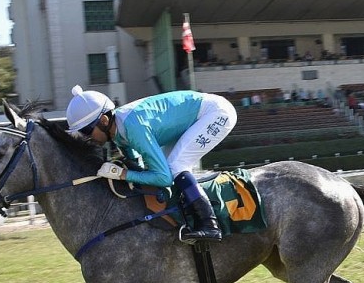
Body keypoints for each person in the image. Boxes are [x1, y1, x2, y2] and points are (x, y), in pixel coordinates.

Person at [65, 85, 237, 242]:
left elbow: (163, 178)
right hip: (197, 116)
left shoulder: (133, 128)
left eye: (86, 130)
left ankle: (210, 225)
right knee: (170, 165)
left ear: (103, 120)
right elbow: (137, 167)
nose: (86, 137)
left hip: (215, 113)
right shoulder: (118, 132)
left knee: (174, 167)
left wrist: (122, 174)